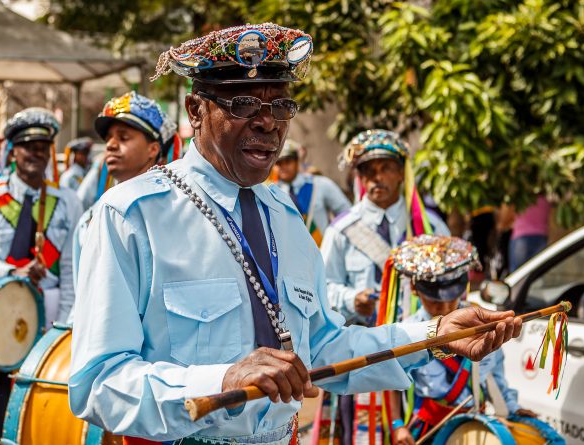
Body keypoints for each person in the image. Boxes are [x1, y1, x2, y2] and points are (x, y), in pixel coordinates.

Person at [69, 23, 521, 444]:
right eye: (243, 103)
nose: (268, 123)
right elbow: (97, 384)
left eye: (281, 105)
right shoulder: (132, 215)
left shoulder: (283, 215)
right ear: (196, 110)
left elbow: (322, 348)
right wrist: (222, 380)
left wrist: (436, 335)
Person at [0, 108, 82, 444]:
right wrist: (12, 270)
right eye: (28, 146)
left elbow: (72, 269)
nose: (36, 153)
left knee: (36, 397)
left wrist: (65, 328)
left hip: (50, 312)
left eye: (43, 146)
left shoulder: (67, 202)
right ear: (12, 150)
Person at [387, 235, 537, 445]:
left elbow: (495, 375)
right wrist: (398, 425)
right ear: (414, 289)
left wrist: (512, 407)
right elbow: (393, 383)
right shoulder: (405, 332)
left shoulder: (481, 323)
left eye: (451, 298)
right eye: (434, 300)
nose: (444, 307)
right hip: (428, 428)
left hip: (474, 424)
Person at [321, 130, 451, 326]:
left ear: (401, 173)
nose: (377, 177)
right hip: (364, 340)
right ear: (360, 178)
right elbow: (323, 286)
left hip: (421, 339)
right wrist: (352, 299)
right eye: (368, 171)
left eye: (386, 168)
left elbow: (451, 281)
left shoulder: (430, 226)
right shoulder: (341, 230)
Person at [71, 91, 180, 292]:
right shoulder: (90, 217)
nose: (111, 145)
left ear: (153, 149)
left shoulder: (172, 213)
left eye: (123, 137)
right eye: (109, 139)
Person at [274, 139, 350, 246]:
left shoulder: (320, 184)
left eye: (287, 161)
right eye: (278, 163)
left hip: (324, 249)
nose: (283, 167)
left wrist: (336, 239)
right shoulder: (273, 194)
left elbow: (345, 212)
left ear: (297, 162)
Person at [509, 195, 550, 273]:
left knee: (517, 274)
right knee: (537, 273)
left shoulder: (521, 194)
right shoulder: (544, 195)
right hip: (540, 237)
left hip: (521, 237)